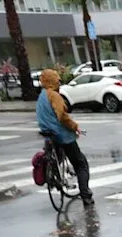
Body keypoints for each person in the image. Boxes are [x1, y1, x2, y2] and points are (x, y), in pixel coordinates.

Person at [36, 69, 92, 206]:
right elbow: (62, 116)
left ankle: (53, 175)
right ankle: (86, 195)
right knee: (80, 163)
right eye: (57, 80)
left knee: (55, 157)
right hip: (61, 134)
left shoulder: (41, 96)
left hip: (47, 134)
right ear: (53, 81)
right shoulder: (54, 95)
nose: (59, 83)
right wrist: (74, 126)